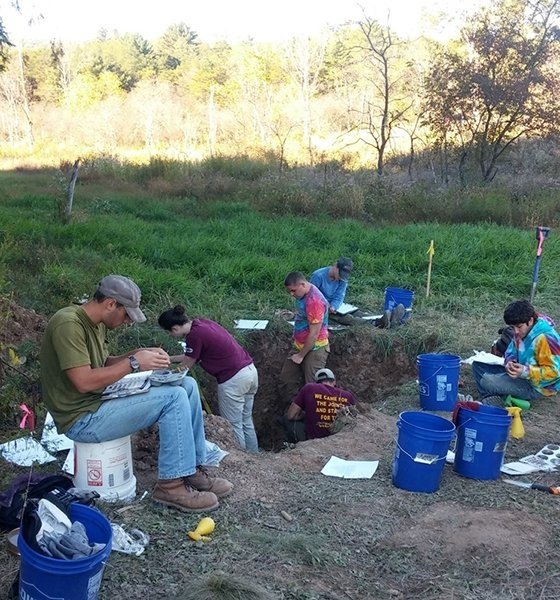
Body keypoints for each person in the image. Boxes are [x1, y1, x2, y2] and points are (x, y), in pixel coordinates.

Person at [40, 275, 233, 514]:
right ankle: (170, 486)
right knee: (173, 398)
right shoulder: (68, 324)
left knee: (186, 386)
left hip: (97, 402)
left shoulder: (95, 323)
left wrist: (140, 354)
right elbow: (83, 381)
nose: (128, 321)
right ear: (111, 304)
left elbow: (103, 364)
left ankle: (191, 468)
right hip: (82, 418)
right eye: (126, 315)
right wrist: (133, 362)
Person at [158, 305, 259, 453]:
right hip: (249, 371)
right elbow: (192, 356)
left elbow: (187, 365)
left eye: (169, 333)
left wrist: (164, 374)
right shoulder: (203, 324)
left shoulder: (194, 335)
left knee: (233, 425)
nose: (171, 336)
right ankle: (254, 454)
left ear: (174, 329)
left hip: (233, 380)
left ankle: (243, 460)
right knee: (246, 419)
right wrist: (170, 359)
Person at [472, 299, 560, 404]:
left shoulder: (546, 338)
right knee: (477, 365)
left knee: (488, 381)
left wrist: (525, 372)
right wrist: (510, 362)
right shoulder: (522, 330)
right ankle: (495, 396)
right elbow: (510, 350)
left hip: (538, 386)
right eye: (512, 327)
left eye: (519, 327)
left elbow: (555, 372)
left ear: (531, 321)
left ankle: (491, 397)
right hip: (519, 372)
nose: (515, 331)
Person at [278, 271, 329, 403]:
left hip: (316, 347)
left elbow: (314, 333)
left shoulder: (314, 302)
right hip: (300, 344)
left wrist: (300, 355)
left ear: (302, 284)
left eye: (293, 290)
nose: (292, 294)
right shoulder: (304, 294)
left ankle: (310, 418)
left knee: (313, 387)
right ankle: (294, 411)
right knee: (287, 378)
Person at [280, 368, 356, 442]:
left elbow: (291, 415)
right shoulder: (348, 395)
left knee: (286, 419)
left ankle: (296, 446)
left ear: (317, 382)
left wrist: (306, 414)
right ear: (334, 382)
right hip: (339, 440)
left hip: (314, 441)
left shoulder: (310, 388)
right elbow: (353, 419)